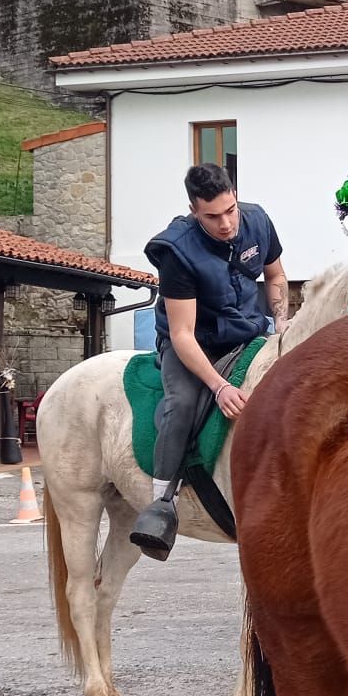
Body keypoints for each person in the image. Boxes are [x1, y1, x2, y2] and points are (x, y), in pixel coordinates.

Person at [129, 163, 288, 560]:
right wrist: (218, 386)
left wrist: (282, 321)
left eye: (230, 210)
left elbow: (276, 275)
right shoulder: (176, 251)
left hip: (248, 334)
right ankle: (162, 502)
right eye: (212, 216)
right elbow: (182, 334)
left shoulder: (258, 220)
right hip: (194, 346)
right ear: (193, 210)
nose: (226, 223)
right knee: (182, 403)